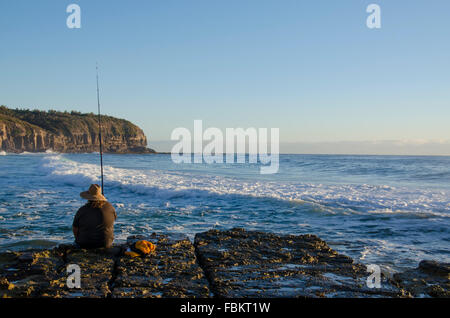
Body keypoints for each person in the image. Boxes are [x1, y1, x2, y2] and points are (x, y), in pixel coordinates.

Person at [72, 184, 117, 249]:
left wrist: (77, 239)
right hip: (106, 244)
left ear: (88, 197)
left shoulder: (82, 210)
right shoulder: (110, 207)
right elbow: (113, 220)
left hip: (85, 244)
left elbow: (75, 228)